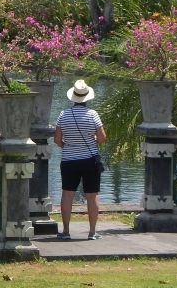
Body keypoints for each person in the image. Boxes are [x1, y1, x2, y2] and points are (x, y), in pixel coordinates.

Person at [53, 78, 107, 240]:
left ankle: (66, 231)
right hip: (90, 159)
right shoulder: (93, 114)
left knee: (67, 194)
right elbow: (102, 137)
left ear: (73, 97)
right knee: (92, 195)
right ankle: (92, 232)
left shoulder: (63, 115)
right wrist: (92, 142)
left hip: (69, 160)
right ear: (87, 97)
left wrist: (69, 147)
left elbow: (57, 139)